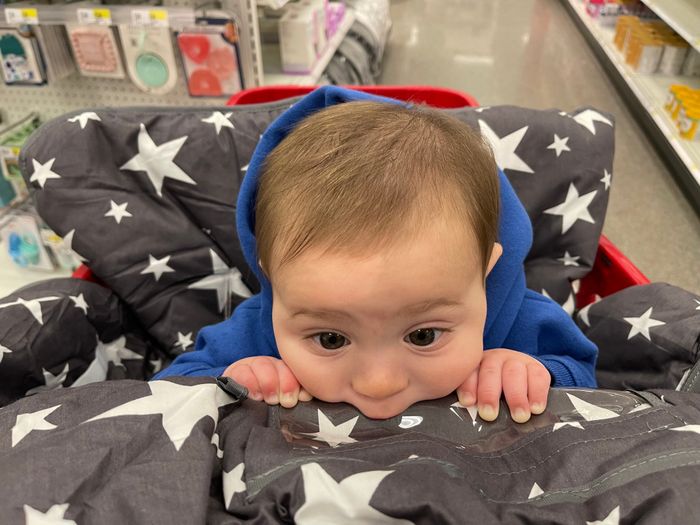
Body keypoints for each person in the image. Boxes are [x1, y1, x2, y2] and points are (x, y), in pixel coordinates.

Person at [154, 86, 597, 423]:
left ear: (485, 271)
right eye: (330, 339)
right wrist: (233, 380)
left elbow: (592, 385)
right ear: (275, 281)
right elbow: (161, 394)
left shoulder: (523, 321)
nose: (378, 383)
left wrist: (539, 374)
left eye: (423, 336)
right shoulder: (257, 329)